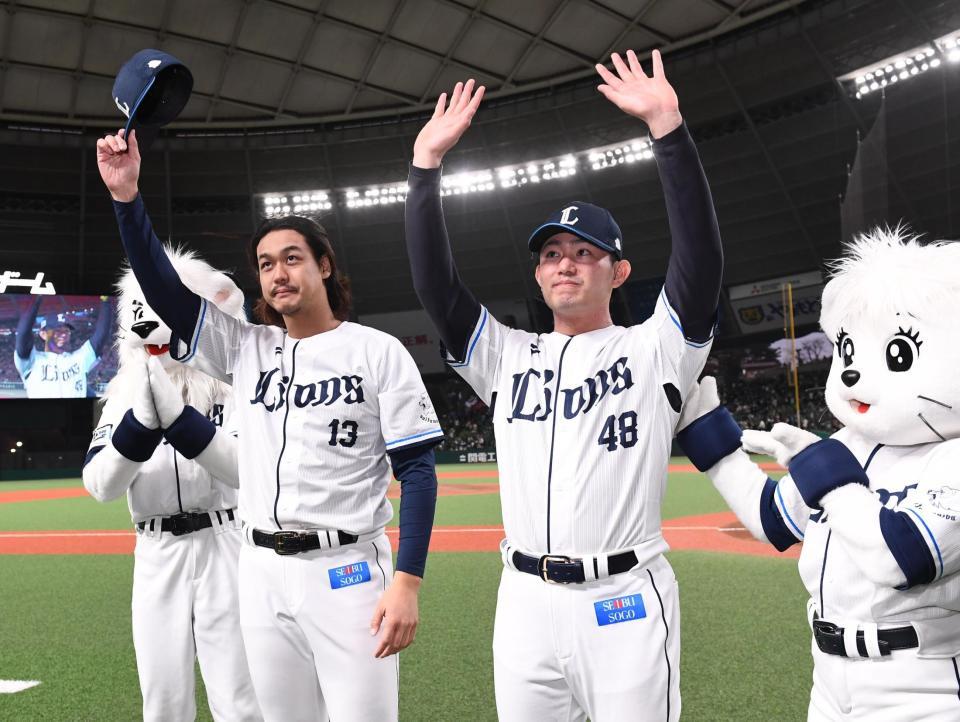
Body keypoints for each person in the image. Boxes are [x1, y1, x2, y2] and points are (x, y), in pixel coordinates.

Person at [405, 49, 723, 721]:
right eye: (552, 254)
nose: (565, 263)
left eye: (584, 252)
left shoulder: (656, 349)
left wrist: (668, 128)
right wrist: (425, 169)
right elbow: (438, 288)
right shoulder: (505, 355)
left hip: (625, 599)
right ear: (539, 274)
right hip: (523, 604)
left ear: (619, 271)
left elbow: (699, 260)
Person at [96, 127, 443, 722]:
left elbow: (417, 470)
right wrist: (127, 197)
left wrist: (407, 580)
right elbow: (163, 288)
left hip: (348, 569)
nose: (278, 273)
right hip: (259, 571)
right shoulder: (244, 349)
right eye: (265, 264)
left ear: (325, 265)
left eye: (291, 258)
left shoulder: (378, 350)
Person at [677, 227, 960, 721]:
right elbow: (773, 521)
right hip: (829, 678)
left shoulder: (950, 455)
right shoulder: (848, 443)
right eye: (848, 351)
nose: (851, 373)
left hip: (923, 684)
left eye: (897, 355)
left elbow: (902, 557)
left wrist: (825, 475)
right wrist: (715, 447)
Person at [82, 251, 261, 722]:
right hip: (156, 550)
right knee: (163, 700)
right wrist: (140, 425)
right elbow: (100, 483)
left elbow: (248, 470)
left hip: (227, 542)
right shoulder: (122, 396)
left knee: (240, 698)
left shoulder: (232, 388)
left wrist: (181, 422)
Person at [14, 295, 111, 397]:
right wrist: (36, 300)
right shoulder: (32, 360)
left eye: (66, 330)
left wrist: (105, 301)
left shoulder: (78, 358)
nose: (64, 334)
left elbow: (101, 335)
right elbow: (23, 334)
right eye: (57, 330)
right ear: (43, 334)